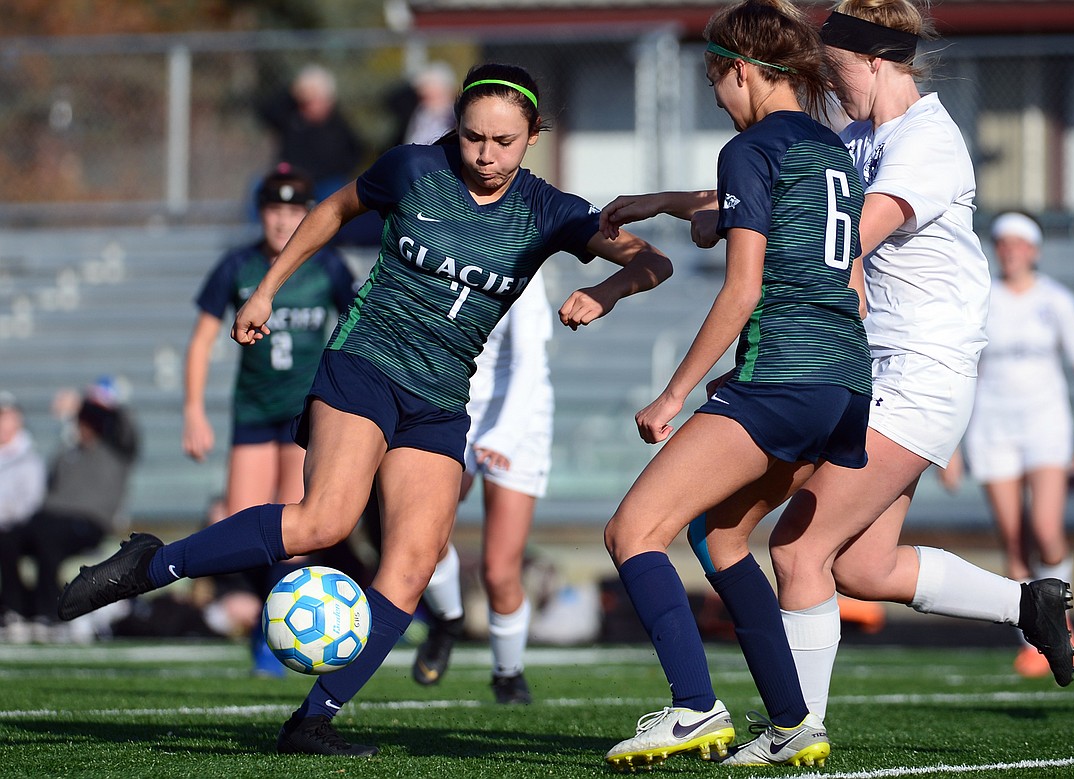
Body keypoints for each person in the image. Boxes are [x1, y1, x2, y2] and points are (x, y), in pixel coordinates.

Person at [58, 62, 672, 758]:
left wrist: (610, 291)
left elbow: (655, 262)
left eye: (504, 140)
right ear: (456, 127)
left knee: (412, 566)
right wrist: (265, 288)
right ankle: (150, 564)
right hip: (365, 367)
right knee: (324, 518)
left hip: (441, 397)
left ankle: (313, 719)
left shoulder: (549, 209)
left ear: (533, 134)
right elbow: (332, 211)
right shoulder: (414, 168)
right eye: (473, 136)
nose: (485, 153)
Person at [599, 0, 870, 768]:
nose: (717, 96)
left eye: (717, 80)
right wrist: (661, 203)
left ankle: (693, 707)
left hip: (784, 371)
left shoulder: (747, 148)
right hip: (844, 381)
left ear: (744, 71)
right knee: (719, 537)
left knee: (632, 532)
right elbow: (841, 277)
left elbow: (742, 289)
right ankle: (792, 723)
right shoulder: (831, 152)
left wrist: (675, 393)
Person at [183, 163, 358, 674]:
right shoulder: (236, 266)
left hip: (303, 413)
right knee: (242, 523)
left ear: (307, 214)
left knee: (291, 521)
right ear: (260, 214)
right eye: (274, 210)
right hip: (253, 411)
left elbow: (356, 322)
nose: (283, 222)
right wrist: (194, 409)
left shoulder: (325, 267)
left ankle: (273, 635)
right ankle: (269, 620)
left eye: (293, 211)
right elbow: (200, 339)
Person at [941, 211, 1074, 678]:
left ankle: (1060, 622)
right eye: (1003, 243)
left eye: (1019, 243)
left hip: (1045, 427)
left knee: (1047, 530)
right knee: (1013, 542)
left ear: (1034, 250)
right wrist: (950, 445)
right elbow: (961, 368)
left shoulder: (1056, 300)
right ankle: (1037, 641)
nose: (1010, 251)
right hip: (993, 429)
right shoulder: (982, 298)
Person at [411, 270, 556, 705]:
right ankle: (448, 617)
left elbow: (528, 361)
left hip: (521, 415)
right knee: (420, 533)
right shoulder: (447, 239)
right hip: (456, 403)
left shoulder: (524, 257)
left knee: (498, 570)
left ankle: (508, 674)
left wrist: (505, 435)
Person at [24, 379, 138, 627]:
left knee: (48, 538)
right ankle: (14, 607)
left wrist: (83, 404)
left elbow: (125, 428)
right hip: (50, 518)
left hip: (87, 522)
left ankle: (47, 613)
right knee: (10, 537)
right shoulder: (68, 453)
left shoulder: (115, 452)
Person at [258, 64, 365, 201]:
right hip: (293, 179)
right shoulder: (291, 118)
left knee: (336, 190)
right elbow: (266, 111)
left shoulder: (338, 126)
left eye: (315, 100)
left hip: (326, 183)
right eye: (306, 101)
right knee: (260, 186)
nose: (309, 106)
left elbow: (355, 152)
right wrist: (292, 93)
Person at [0, 391, 47, 627]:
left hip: (17, 527)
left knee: (7, 542)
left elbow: (29, 503)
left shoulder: (28, 458)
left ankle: (15, 608)